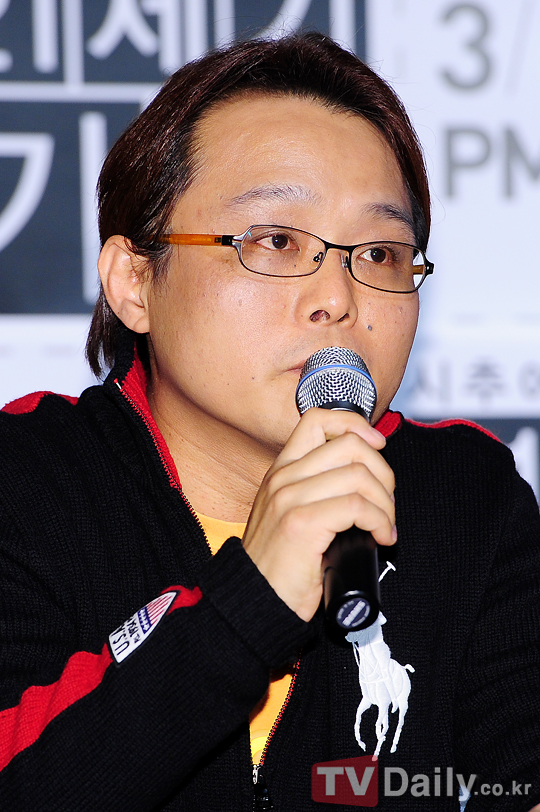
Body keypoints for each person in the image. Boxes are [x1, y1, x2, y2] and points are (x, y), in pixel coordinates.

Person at [0, 32, 538, 812]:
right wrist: (249, 602)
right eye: (277, 241)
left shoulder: (465, 499)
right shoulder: (25, 487)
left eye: (380, 254)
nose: (338, 298)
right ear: (135, 281)